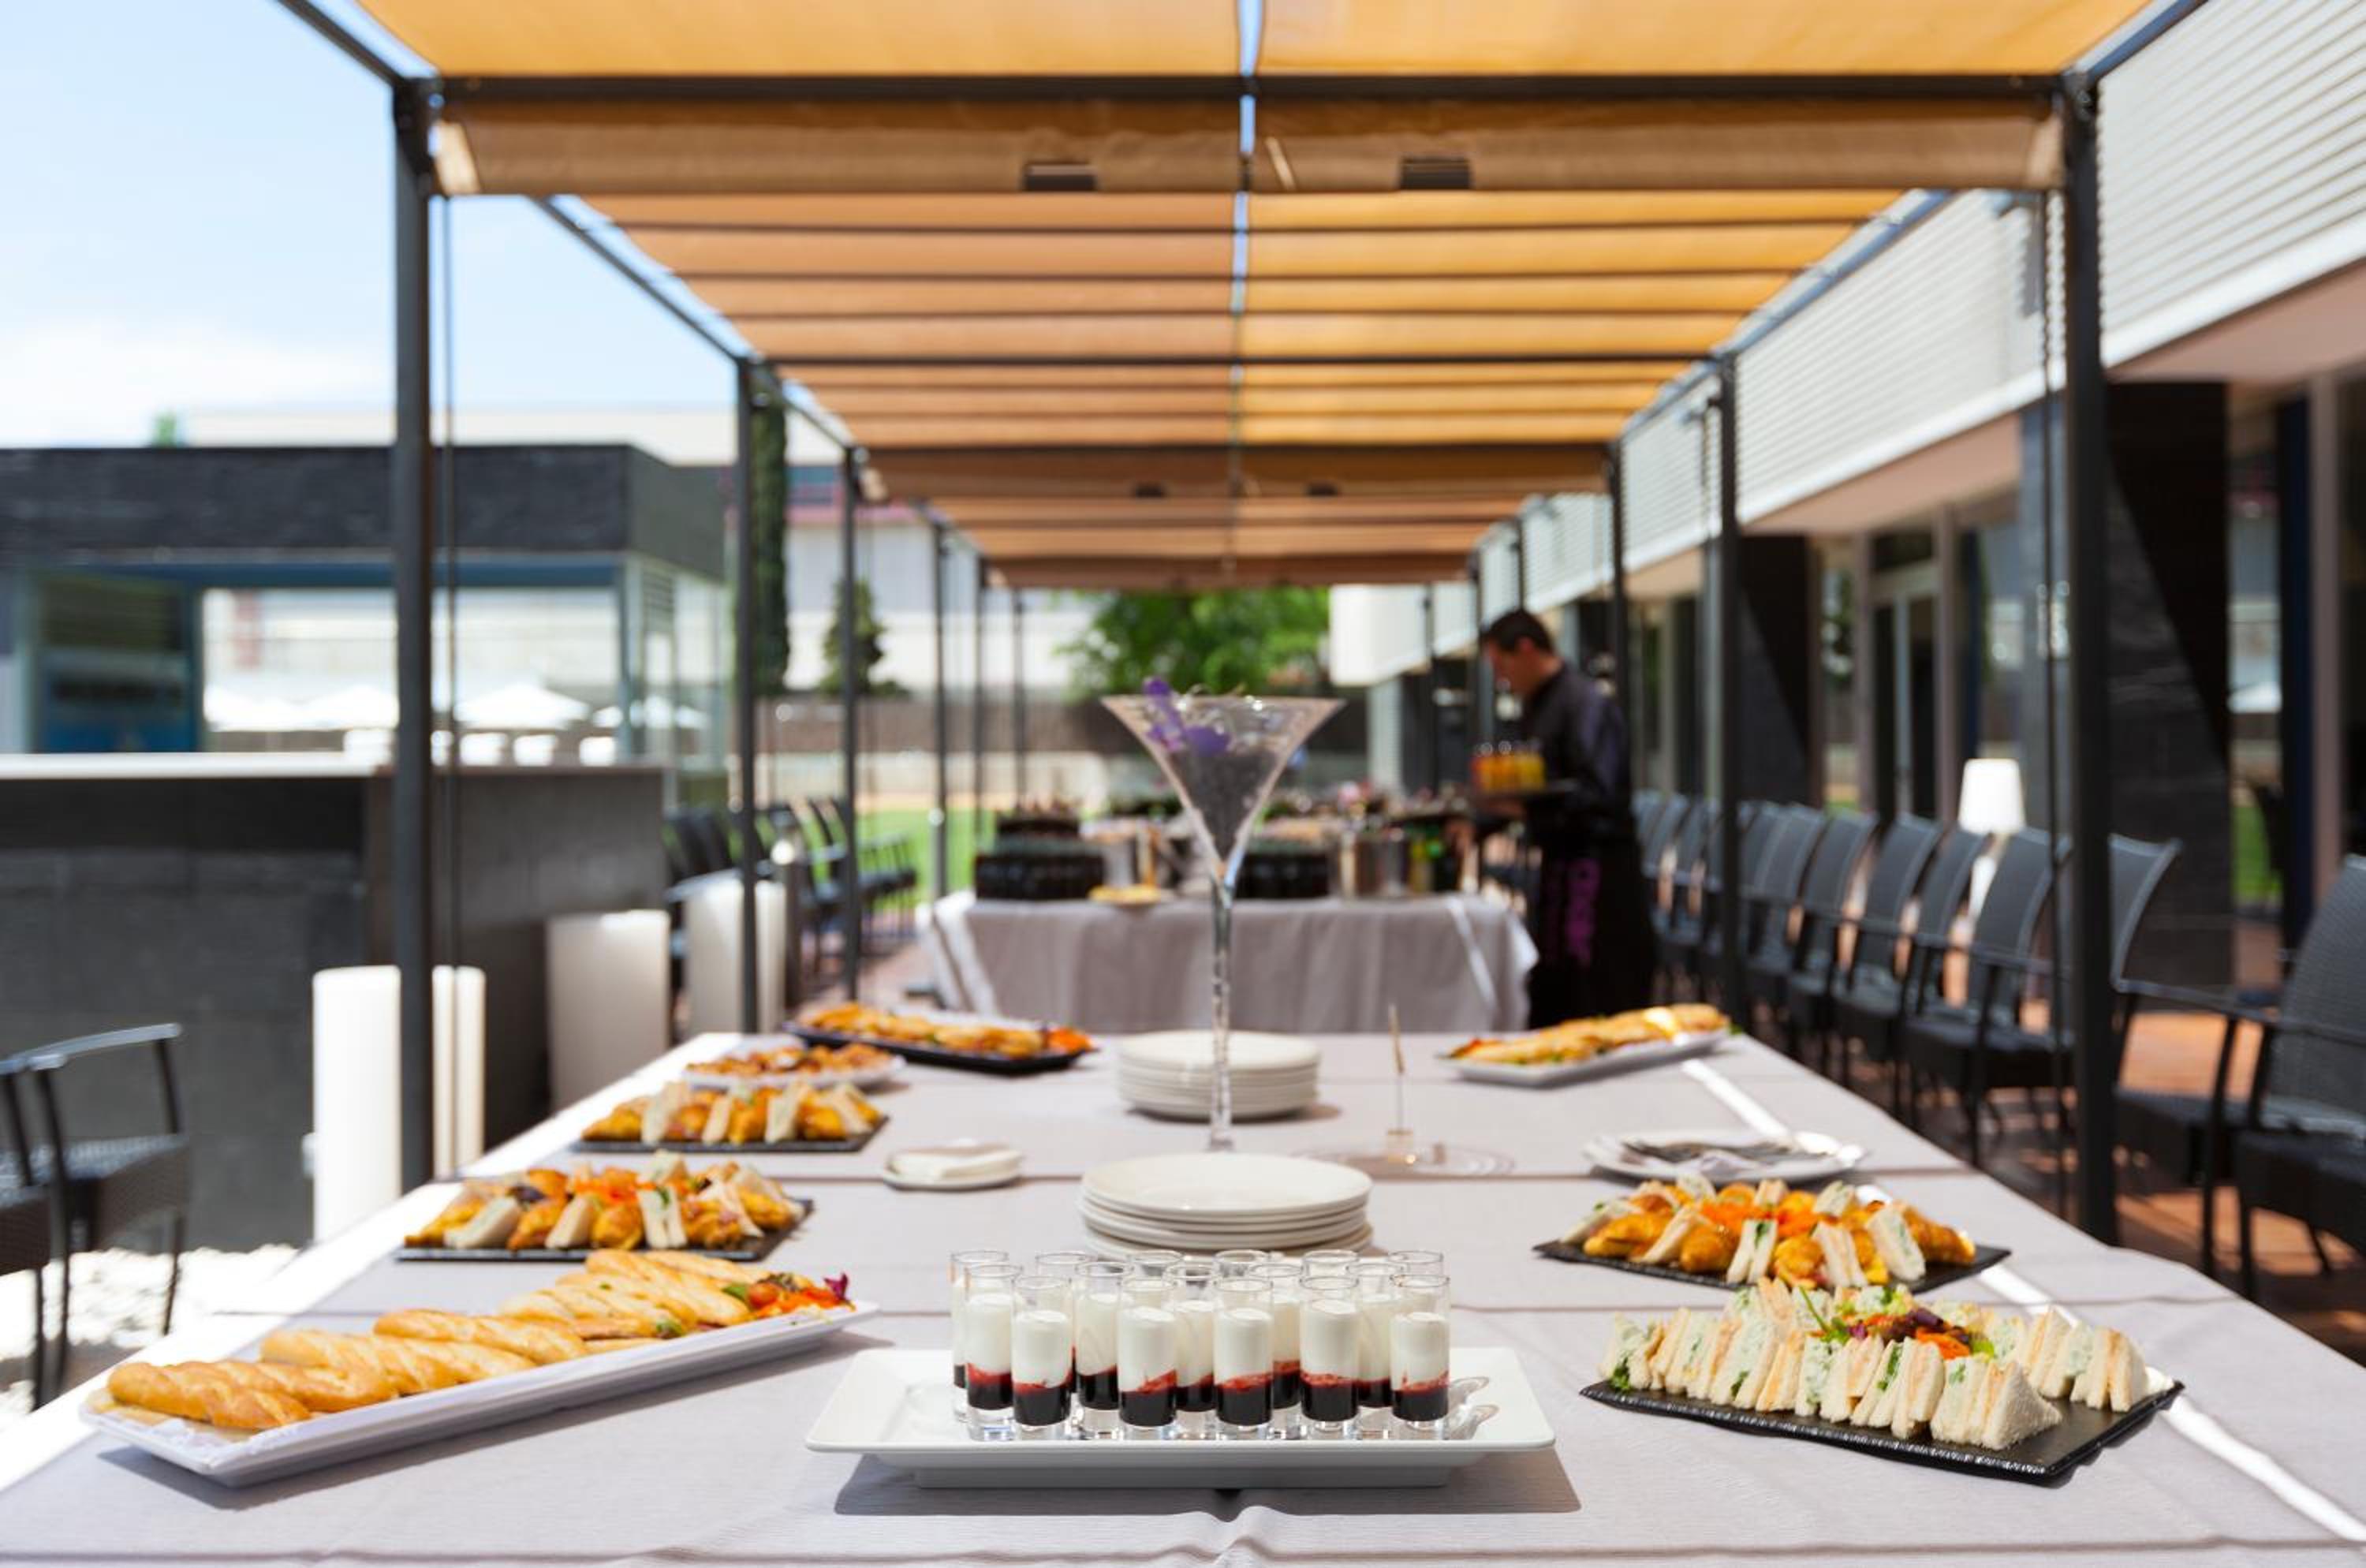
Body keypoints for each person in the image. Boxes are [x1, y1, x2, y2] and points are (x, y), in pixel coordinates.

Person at [1479, 610, 1655, 1025]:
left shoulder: (1586, 704)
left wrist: (1526, 807)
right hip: (1560, 871)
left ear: (1526, 650)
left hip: (1600, 878)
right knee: (1558, 993)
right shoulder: (1538, 705)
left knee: (1599, 996)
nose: (1501, 679)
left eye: (1501, 665)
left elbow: (1602, 794)